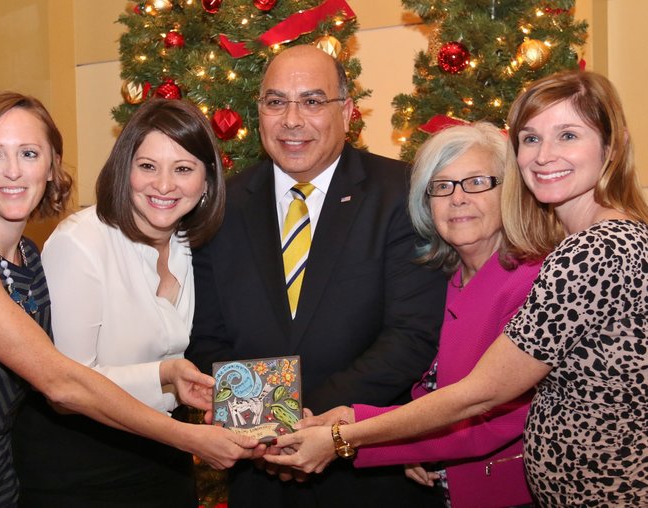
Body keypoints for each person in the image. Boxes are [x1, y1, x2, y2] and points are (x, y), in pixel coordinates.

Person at [264, 70, 648, 507]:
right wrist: (357, 420)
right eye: (531, 138)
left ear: (611, 146)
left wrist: (343, 434)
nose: (544, 156)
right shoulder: (453, 276)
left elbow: (481, 396)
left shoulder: (591, 251)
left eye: (568, 136)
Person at [0, 92, 261, 506]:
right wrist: (188, 436)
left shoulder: (27, 258)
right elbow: (61, 382)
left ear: (52, 167)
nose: (13, 172)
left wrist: (168, 372)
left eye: (30, 154)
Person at [186, 44, 447, 507]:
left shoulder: (400, 194)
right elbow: (205, 335)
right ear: (259, 112)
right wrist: (266, 432)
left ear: (346, 112)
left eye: (311, 101)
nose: (291, 120)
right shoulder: (220, 205)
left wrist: (302, 424)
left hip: (366, 471)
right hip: (258, 474)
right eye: (275, 102)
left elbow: (410, 334)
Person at [289, 122, 542, 508]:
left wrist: (351, 436)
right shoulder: (449, 279)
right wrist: (351, 414)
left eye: (476, 182)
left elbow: (488, 415)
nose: (457, 198)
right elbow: (436, 397)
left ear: (509, 191)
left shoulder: (530, 281)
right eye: (441, 186)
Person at [11, 98, 231, 507]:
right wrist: (164, 375)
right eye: (147, 166)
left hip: (164, 458)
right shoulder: (81, 243)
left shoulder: (191, 245)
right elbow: (68, 388)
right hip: (80, 468)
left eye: (183, 169)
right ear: (124, 169)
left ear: (207, 182)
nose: (164, 186)